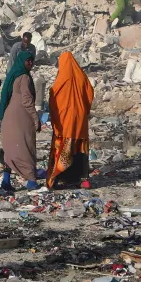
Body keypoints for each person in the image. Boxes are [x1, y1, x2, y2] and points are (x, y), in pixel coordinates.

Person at [47, 51, 94, 189]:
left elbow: (53, 98)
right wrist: (84, 110)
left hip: (65, 122)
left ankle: (58, 177)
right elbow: (90, 94)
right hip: (80, 122)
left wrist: (55, 117)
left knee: (62, 149)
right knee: (80, 150)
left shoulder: (61, 80)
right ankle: (83, 180)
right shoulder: (82, 77)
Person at [0, 49, 40, 190]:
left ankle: (6, 181)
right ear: (22, 61)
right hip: (21, 118)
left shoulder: (13, 75)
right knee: (26, 148)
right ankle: (32, 181)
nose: (30, 63)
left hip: (9, 116)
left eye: (32, 60)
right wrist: (35, 118)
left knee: (10, 150)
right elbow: (27, 101)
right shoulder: (25, 78)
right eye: (28, 61)